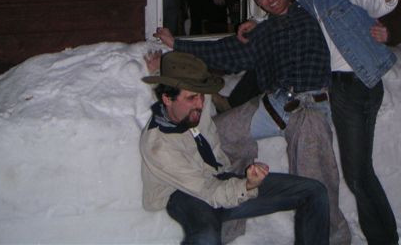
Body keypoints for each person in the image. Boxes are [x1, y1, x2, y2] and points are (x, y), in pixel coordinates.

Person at [239, 0, 401, 245]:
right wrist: (256, 25)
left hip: (356, 83)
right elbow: (286, 20)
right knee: (356, 171)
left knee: (358, 173)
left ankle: (384, 239)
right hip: (332, 85)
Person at [154, 0, 352, 245]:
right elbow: (227, 53)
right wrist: (178, 45)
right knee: (219, 134)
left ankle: (334, 239)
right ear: (257, 1)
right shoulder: (266, 30)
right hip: (276, 103)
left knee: (315, 180)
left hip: (310, 109)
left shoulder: (310, 11)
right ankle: (228, 224)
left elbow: (347, 9)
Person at [140, 51, 329, 245]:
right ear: (167, 99)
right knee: (205, 237)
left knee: (314, 191)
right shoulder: (159, 146)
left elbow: (177, 90)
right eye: (192, 98)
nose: (200, 104)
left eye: (201, 96)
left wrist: (159, 71)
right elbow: (207, 190)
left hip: (219, 178)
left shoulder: (188, 104)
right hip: (185, 194)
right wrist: (247, 186)